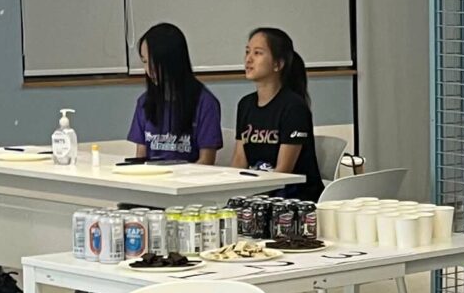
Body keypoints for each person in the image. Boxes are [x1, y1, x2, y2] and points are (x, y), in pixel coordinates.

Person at [233, 26, 322, 200]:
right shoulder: (245, 105)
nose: (248, 59)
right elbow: (238, 162)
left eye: (258, 53)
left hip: (292, 200)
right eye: (247, 52)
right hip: (257, 195)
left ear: (277, 64)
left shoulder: (294, 107)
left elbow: (282, 172)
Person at [129, 21, 223, 166]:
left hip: (188, 183)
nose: (149, 69)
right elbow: (141, 156)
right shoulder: (144, 102)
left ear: (172, 60)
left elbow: (207, 161)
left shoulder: (205, 103)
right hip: (153, 183)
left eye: (154, 61)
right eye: (145, 61)